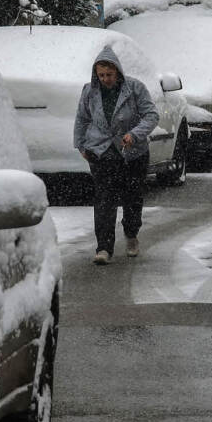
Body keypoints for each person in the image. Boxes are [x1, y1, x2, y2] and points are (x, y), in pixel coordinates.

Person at [73, 46, 159, 265]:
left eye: (109, 75)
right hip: (101, 152)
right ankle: (103, 247)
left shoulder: (135, 88)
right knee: (104, 199)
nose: (105, 79)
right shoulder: (89, 91)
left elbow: (151, 115)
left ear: (118, 71)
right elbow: (82, 119)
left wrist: (135, 134)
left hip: (132, 153)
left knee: (132, 197)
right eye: (101, 75)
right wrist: (81, 145)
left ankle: (131, 234)